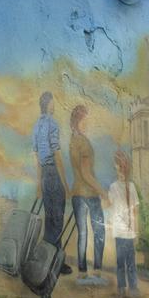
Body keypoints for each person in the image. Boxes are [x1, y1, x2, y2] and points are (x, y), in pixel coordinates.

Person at [32, 91, 71, 275]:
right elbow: (57, 154)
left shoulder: (36, 126)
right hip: (54, 174)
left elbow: (37, 158)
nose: (54, 105)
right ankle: (48, 263)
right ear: (48, 104)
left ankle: (56, 261)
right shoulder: (52, 124)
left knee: (51, 218)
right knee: (57, 220)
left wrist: (39, 184)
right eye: (53, 102)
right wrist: (65, 184)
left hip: (45, 176)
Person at [68, 104, 107, 284]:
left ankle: (83, 272)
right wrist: (103, 192)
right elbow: (86, 173)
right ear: (78, 122)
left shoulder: (73, 140)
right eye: (85, 120)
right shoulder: (83, 142)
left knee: (82, 233)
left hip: (77, 193)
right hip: (89, 194)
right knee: (99, 231)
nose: (88, 123)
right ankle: (97, 270)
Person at [107, 150, 139, 298]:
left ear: (126, 168)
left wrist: (135, 229)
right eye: (118, 166)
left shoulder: (131, 187)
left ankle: (133, 287)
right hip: (119, 231)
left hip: (129, 231)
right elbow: (109, 205)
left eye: (123, 166)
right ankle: (121, 287)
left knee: (131, 262)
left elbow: (135, 210)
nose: (120, 169)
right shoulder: (113, 187)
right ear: (116, 168)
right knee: (120, 262)